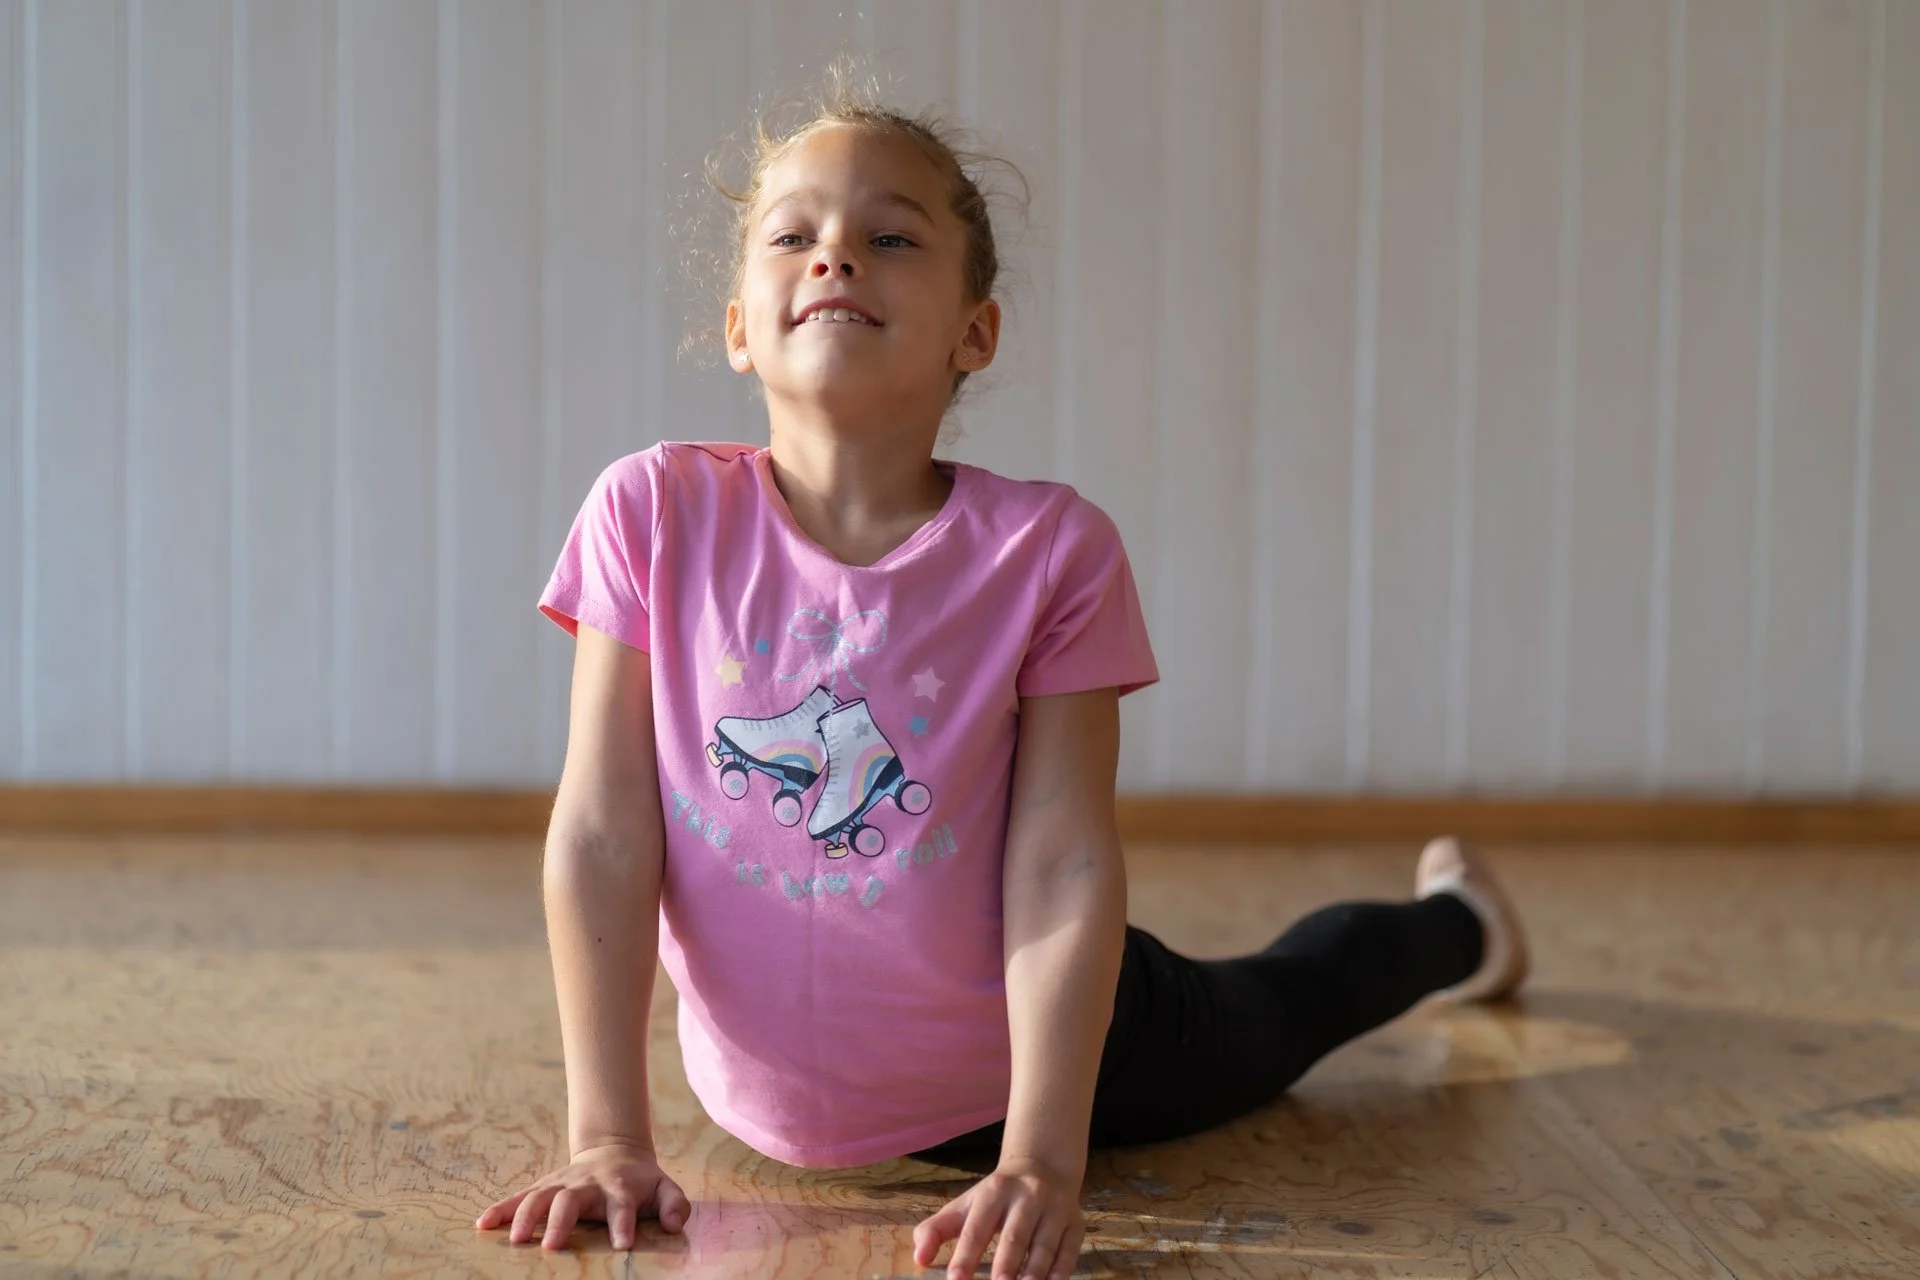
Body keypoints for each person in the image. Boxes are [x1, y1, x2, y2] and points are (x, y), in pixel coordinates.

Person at [475, 73, 1529, 1280]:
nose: (835, 259)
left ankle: (1464, 924)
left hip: (1038, 1066)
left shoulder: (1048, 554)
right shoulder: (651, 512)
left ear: (976, 330)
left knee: (1286, 1004)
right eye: (794, 235)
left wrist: (1040, 1158)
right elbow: (606, 828)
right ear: (736, 325)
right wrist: (607, 1134)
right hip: (759, 1111)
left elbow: (1066, 858)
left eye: (889, 237)